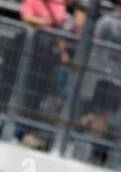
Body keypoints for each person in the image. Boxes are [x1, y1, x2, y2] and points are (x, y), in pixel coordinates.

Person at [79, 0, 121, 161]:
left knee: (105, 115)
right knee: (102, 114)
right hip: (103, 74)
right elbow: (95, 40)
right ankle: (90, 143)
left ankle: (86, 131)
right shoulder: (108, 21)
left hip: (120, 78)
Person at [17, 0, 80, 148]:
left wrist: (62, 51)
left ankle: (26, 132)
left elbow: (59, 26)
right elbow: (26, 16)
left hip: (47, 55)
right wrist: (46, 22)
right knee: (14, 88)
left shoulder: (59, 5)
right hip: (25, 49)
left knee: (37, 94)